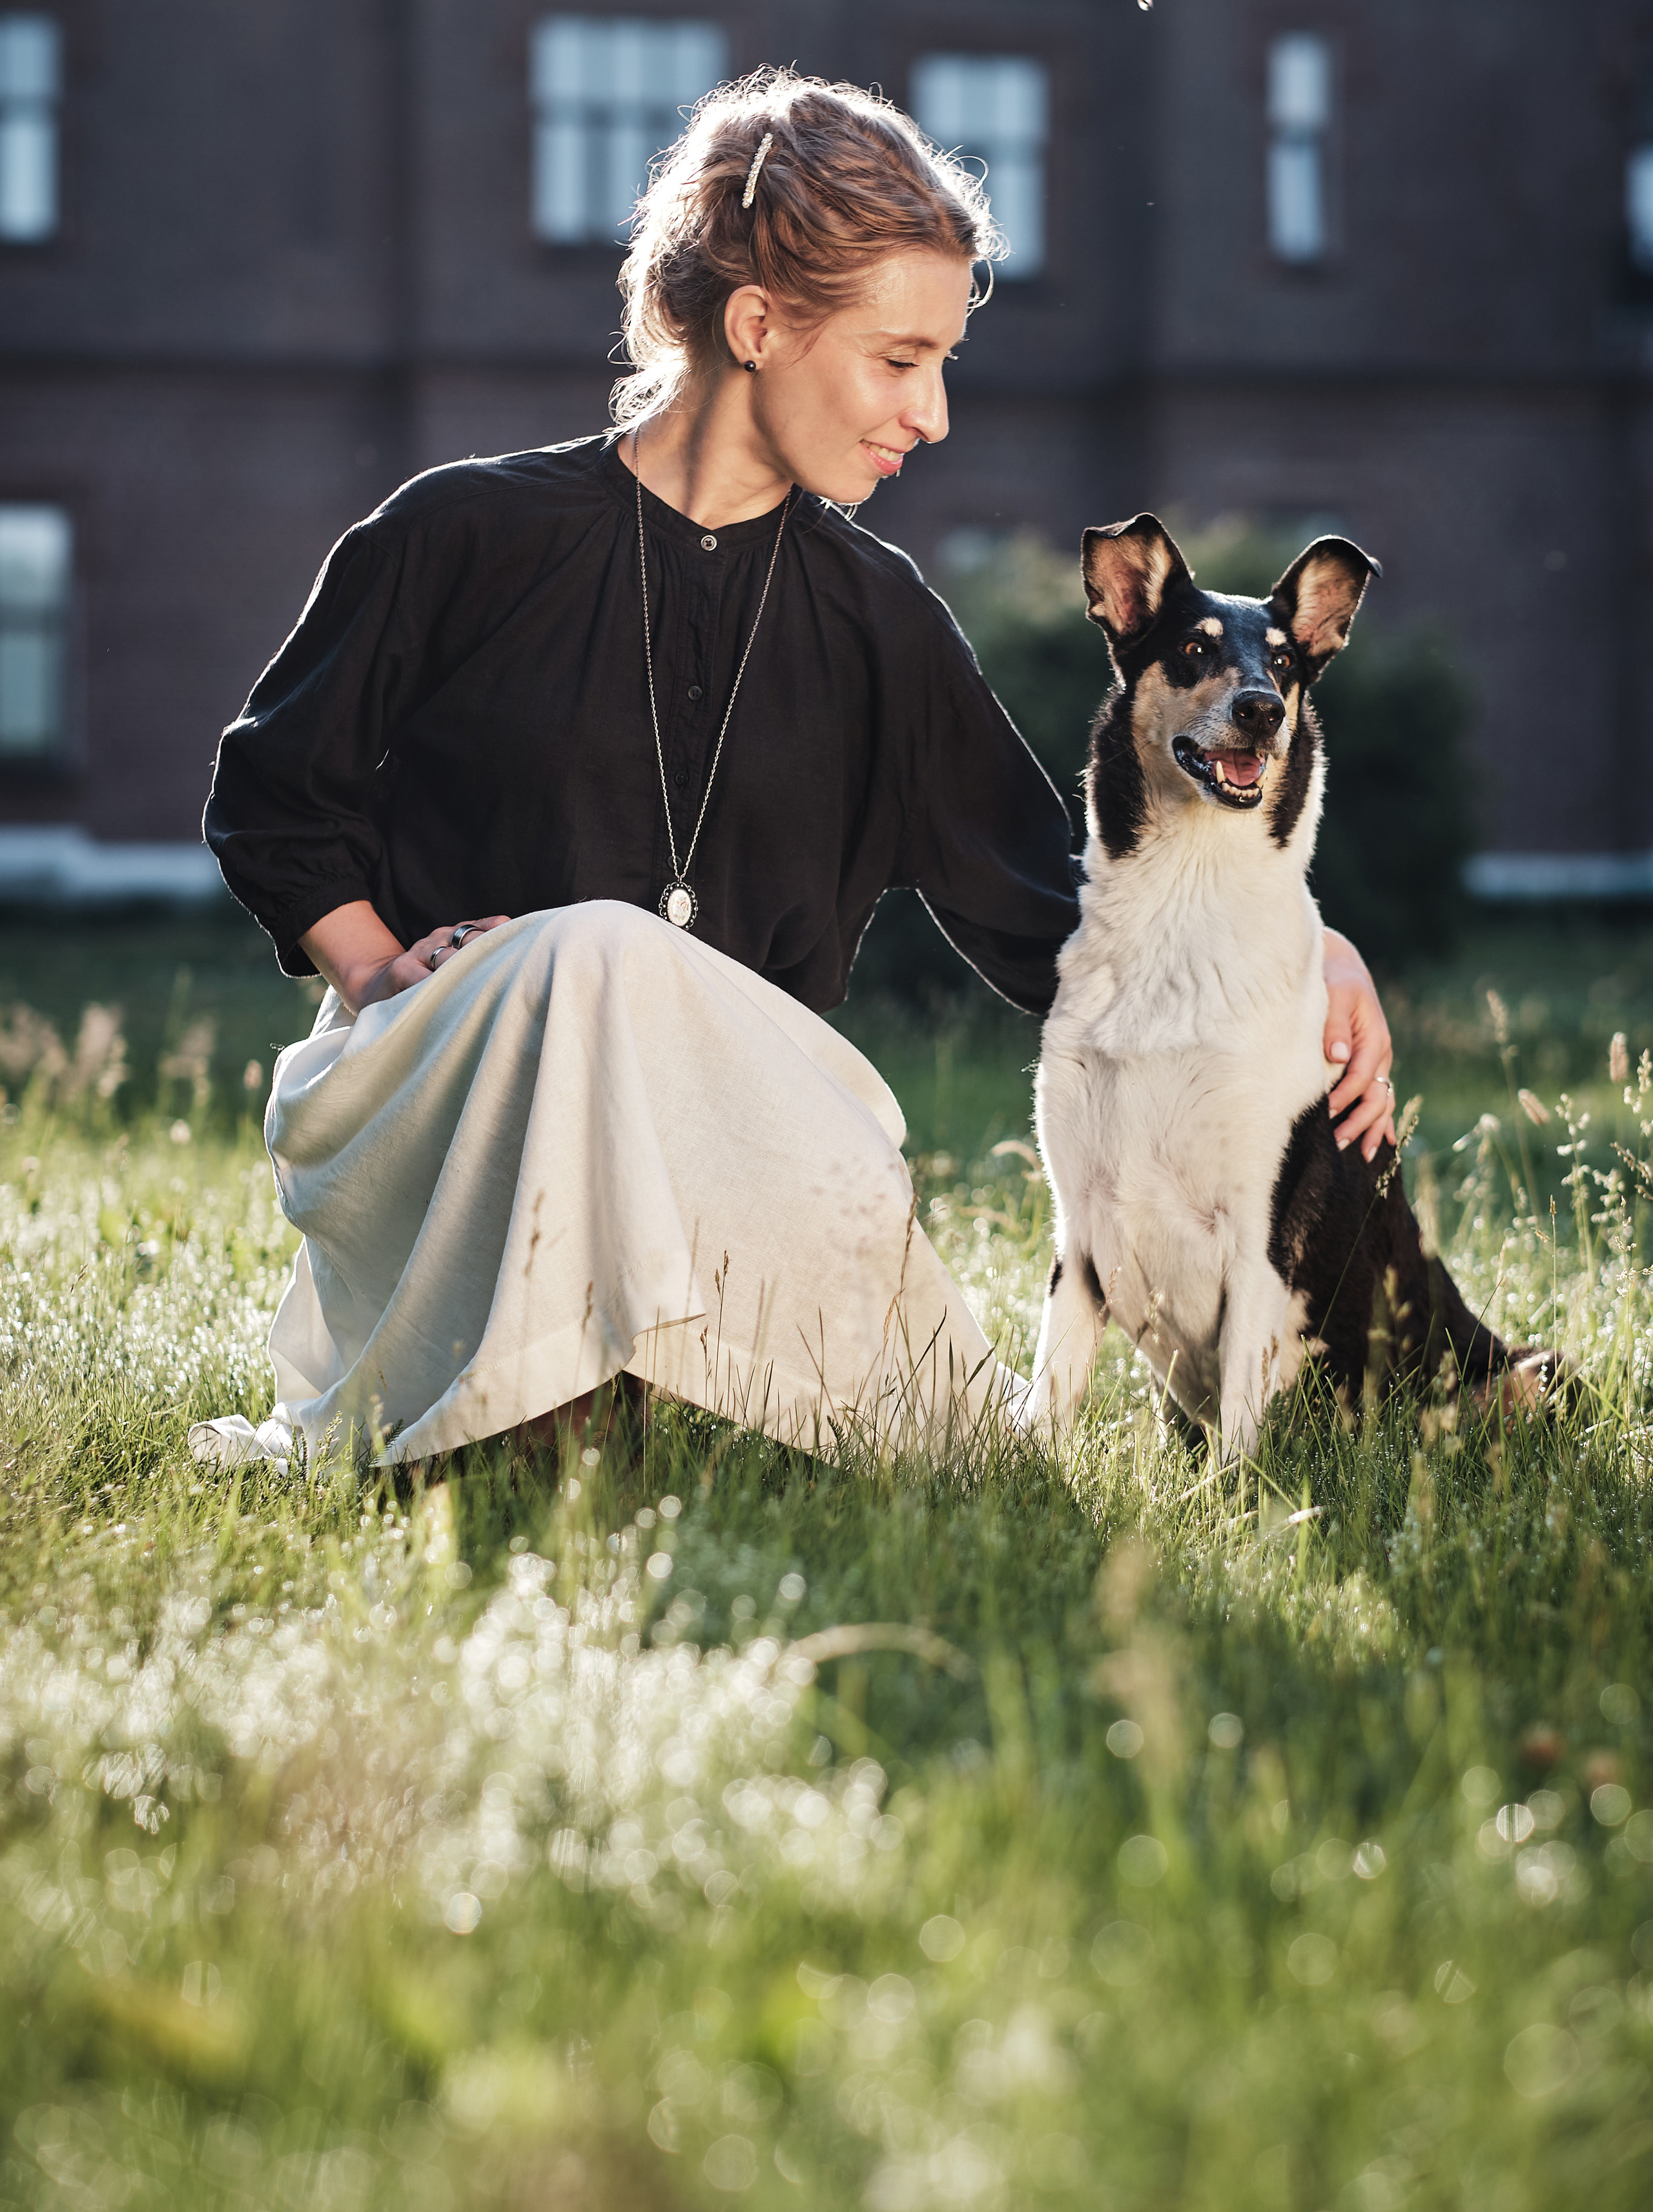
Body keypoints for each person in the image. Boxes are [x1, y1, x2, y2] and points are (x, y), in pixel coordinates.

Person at [192, 71, 1395, 1475]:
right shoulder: (458, 534)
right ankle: (549, 1406)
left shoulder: (881, 625)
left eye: (944, 364)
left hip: (732, 1157)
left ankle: (621, 1402)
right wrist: (384, 972)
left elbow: (1060, 918)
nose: (932, 413)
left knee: (954, 1454)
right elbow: (274, 796)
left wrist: (1298, 954)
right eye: (899, 361)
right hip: (460, 1122)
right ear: (756, 325)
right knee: (593, 957)